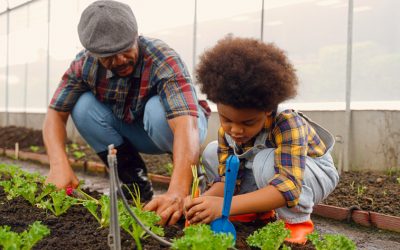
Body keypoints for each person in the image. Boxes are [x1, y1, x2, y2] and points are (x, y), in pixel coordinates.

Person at [43, 0, 209, 226]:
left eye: (124, 50)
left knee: (157, 111)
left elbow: (186, 124)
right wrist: (58, 165)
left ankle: (190, 183)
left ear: (136, 36)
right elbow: (54, 115)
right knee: (81, 107)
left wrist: (178, 190)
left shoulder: (161, 57)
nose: (119, 60)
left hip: (181, 127)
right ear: (93, 54)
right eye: (108, 56)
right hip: (135, 129)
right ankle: (135, 184)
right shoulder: (84, 65)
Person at [184, 36, 339, 244]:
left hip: (310, 175)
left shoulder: (287, 123)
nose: (236, 130)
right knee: (212, 152)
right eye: (227, 119)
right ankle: (255, 212)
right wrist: (203, 201)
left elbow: (289, 185)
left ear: (267, 110)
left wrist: (224, 207)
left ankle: (296, 223)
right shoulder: (228, 132)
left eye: (248, 122)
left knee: (265, 160)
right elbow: (229, 180)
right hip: (268, 172)